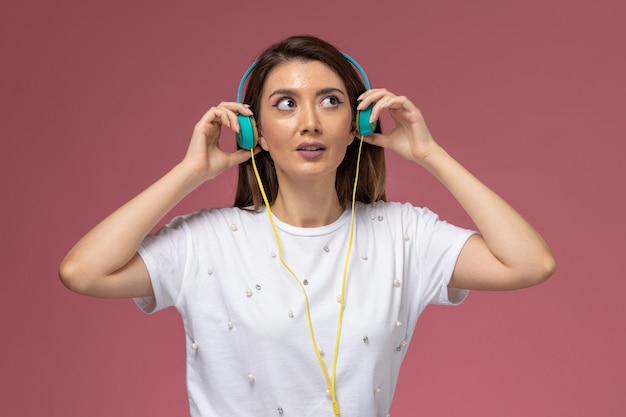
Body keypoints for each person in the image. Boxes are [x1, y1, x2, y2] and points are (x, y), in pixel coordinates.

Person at [59, 35, 556, 417]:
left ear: (358, 124)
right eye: (286, 103)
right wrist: (190, 173)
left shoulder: (404, 235)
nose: (310, 123)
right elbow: (83, 272)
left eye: (331, 101)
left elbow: (530, 263)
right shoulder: (205, 242)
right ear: (254, 128)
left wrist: (431, 155)